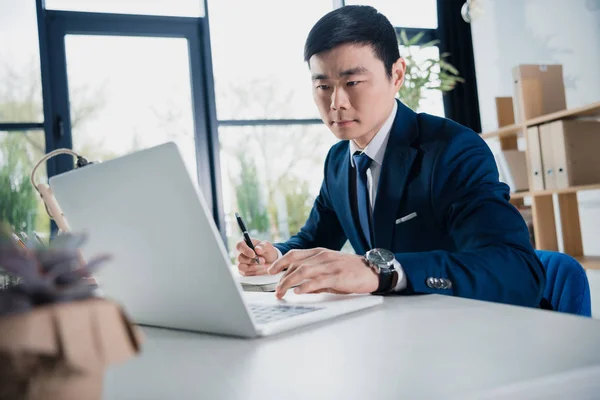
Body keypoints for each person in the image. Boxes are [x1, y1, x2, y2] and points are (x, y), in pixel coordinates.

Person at [236, 5, 545, 306]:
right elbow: (313, 240)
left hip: (464, 326)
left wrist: (382, 272)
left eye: (352, 82)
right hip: (389, 328)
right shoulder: (338, 161)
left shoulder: (452, 149)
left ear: (396, 75)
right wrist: (274, 256)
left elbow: (516, 270)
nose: (336, 102)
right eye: (323, 86)